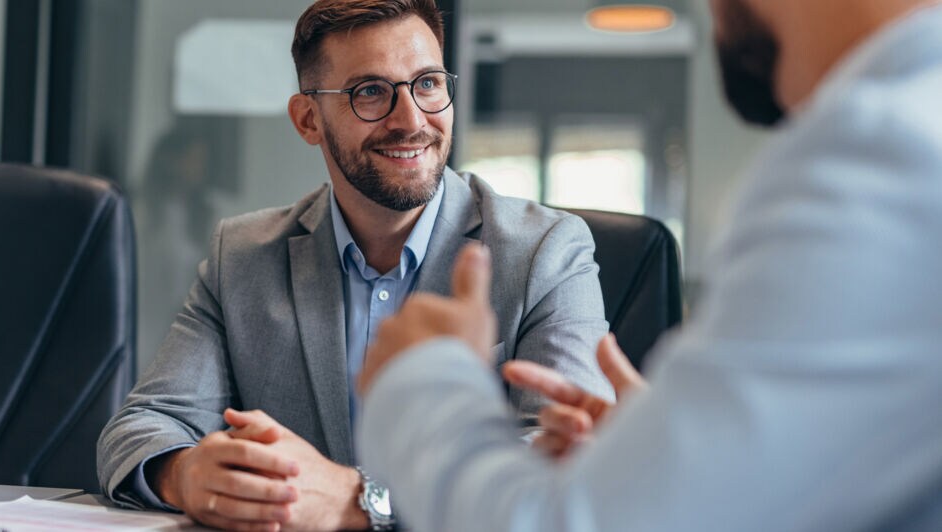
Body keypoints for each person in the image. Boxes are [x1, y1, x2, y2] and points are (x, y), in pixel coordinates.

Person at [355, 0, 942, 530]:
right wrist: (671, 455)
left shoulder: (883, 156)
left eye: (427, 84)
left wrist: (421, 383)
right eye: (370, 92)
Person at [97, 0, 613, 529]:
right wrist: (185, 474)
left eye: (428, 83)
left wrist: (362, 501)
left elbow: (572, 465)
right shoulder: (244, 256)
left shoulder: (545, 251)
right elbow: (142, 425)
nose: (411, 120)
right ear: (308, 120)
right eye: (370, 92)